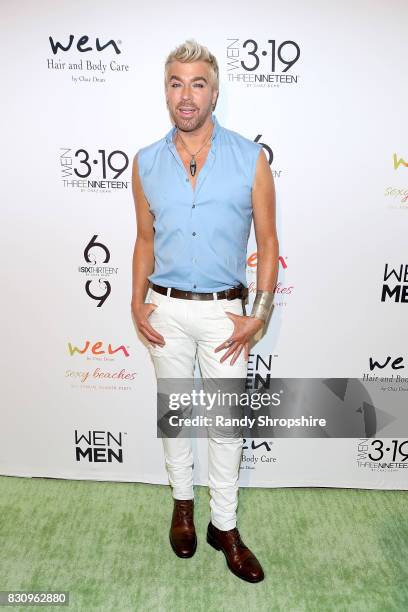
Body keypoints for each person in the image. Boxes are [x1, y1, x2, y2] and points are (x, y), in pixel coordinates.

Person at [131, 39, 278, 583]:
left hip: (224, 317)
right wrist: (135, 302)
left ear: (215, 91)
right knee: (176, 419)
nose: (186, 96)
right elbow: (144, 240)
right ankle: (183, 507)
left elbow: (267, 238)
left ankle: (226, 526)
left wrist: (258, 313)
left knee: (224, 426)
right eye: (176, 83)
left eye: (197, 84)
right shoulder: (146, 162)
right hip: (165, 311)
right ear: (166, 91)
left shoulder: (251, 157)